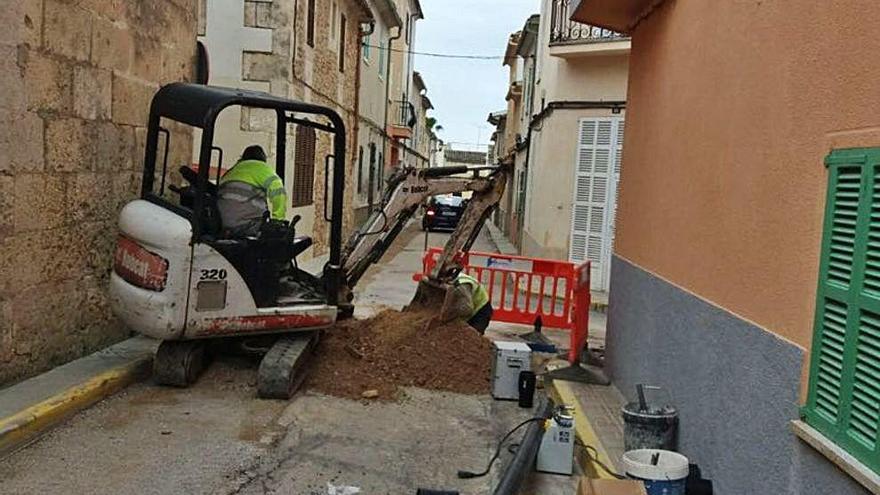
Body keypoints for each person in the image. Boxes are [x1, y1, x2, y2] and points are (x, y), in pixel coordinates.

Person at [217, 145, 287, 237]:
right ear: (263, 159)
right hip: (248, 225)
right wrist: (278, 220)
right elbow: (279, 193)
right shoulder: (263, 168)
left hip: (223, 224)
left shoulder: (231, 171)